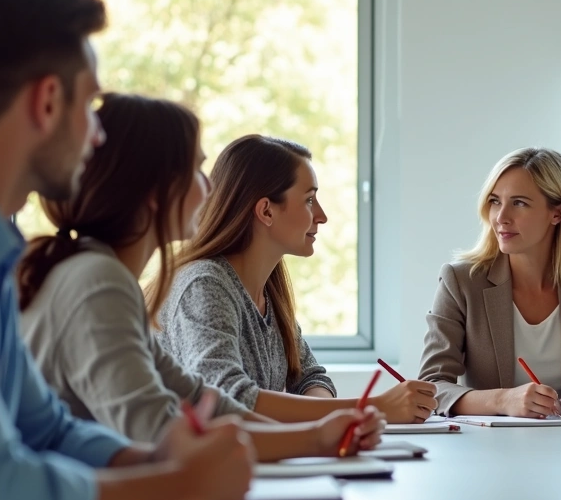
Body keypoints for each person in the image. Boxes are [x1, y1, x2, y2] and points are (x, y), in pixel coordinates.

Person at [0, 0, 251, 500]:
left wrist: (157, 460)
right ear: (48, 101)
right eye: (91, 105)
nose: (97, 134)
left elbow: (45, 429)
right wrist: (178, 486)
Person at [19, 93, 384, 459]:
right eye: (197, 170)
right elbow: (162, 434)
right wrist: (316, 437)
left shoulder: (107, 279)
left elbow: (199, 399)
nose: (210, 189)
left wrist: (320, 434)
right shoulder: (97, 283)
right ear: (156, 191)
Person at [155, 134, 436, 424]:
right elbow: (227, 399)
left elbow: (310, 378)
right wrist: (369, 409)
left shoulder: (268, 292)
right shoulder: (204, 285)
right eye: (310, 200)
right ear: (266, 211)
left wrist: (332, 422)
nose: (322, 216)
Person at [418, 147, 561, 420]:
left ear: (558, 213)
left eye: (519, 203)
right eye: (494, 201)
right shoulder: (461, 282)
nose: (501, 217)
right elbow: (431, 386)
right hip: (488, 448)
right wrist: (503, 400)